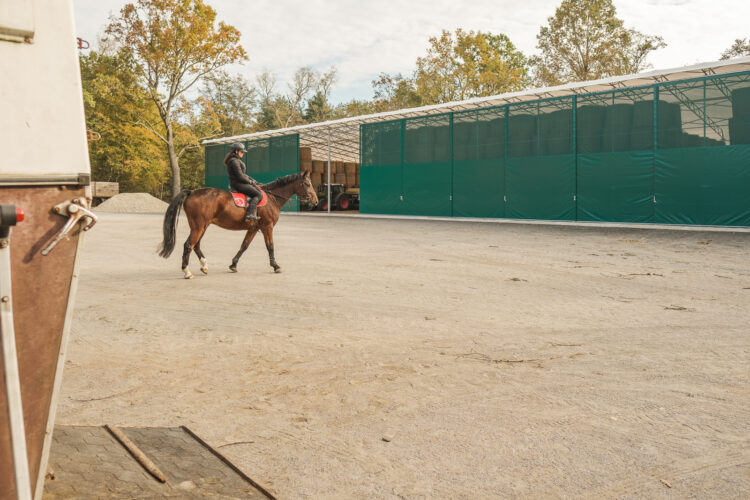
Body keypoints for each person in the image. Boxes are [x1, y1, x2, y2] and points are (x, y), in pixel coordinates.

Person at [224, 142, 261, 221]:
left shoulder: (235, 160)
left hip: (239, 183)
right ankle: (249, 215)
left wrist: (253, 180)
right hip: (238, 184)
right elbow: (240, 176)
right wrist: (251, 182)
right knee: (258, 194)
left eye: (243, 152)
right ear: (236, 151)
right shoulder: (234, 161)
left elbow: (243, 174)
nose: (243, 153)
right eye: (241, 151)